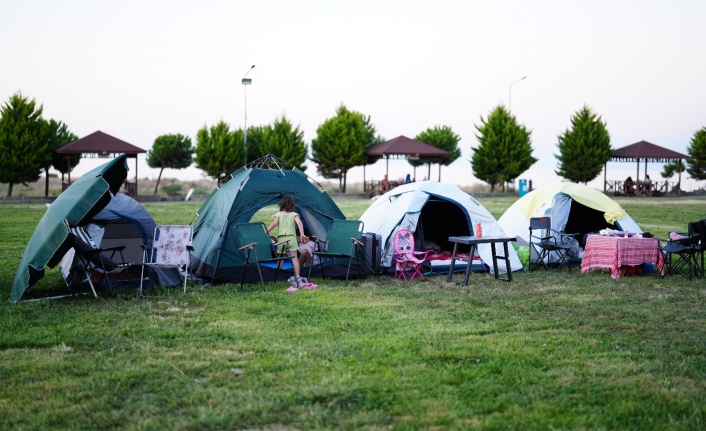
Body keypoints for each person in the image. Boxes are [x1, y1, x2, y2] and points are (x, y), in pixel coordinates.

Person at [267, 196, 307, 289]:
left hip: (282, 239)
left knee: (281, 258)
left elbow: (273, 224)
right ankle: (297, 277)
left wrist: (266, 231)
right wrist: (302, 234)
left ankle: (278, 275)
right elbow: (299, 223)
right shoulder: (294, 214)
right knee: (294, 258)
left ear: (282, 205)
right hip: (291, 238)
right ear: (292, 205)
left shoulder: (279, 214)